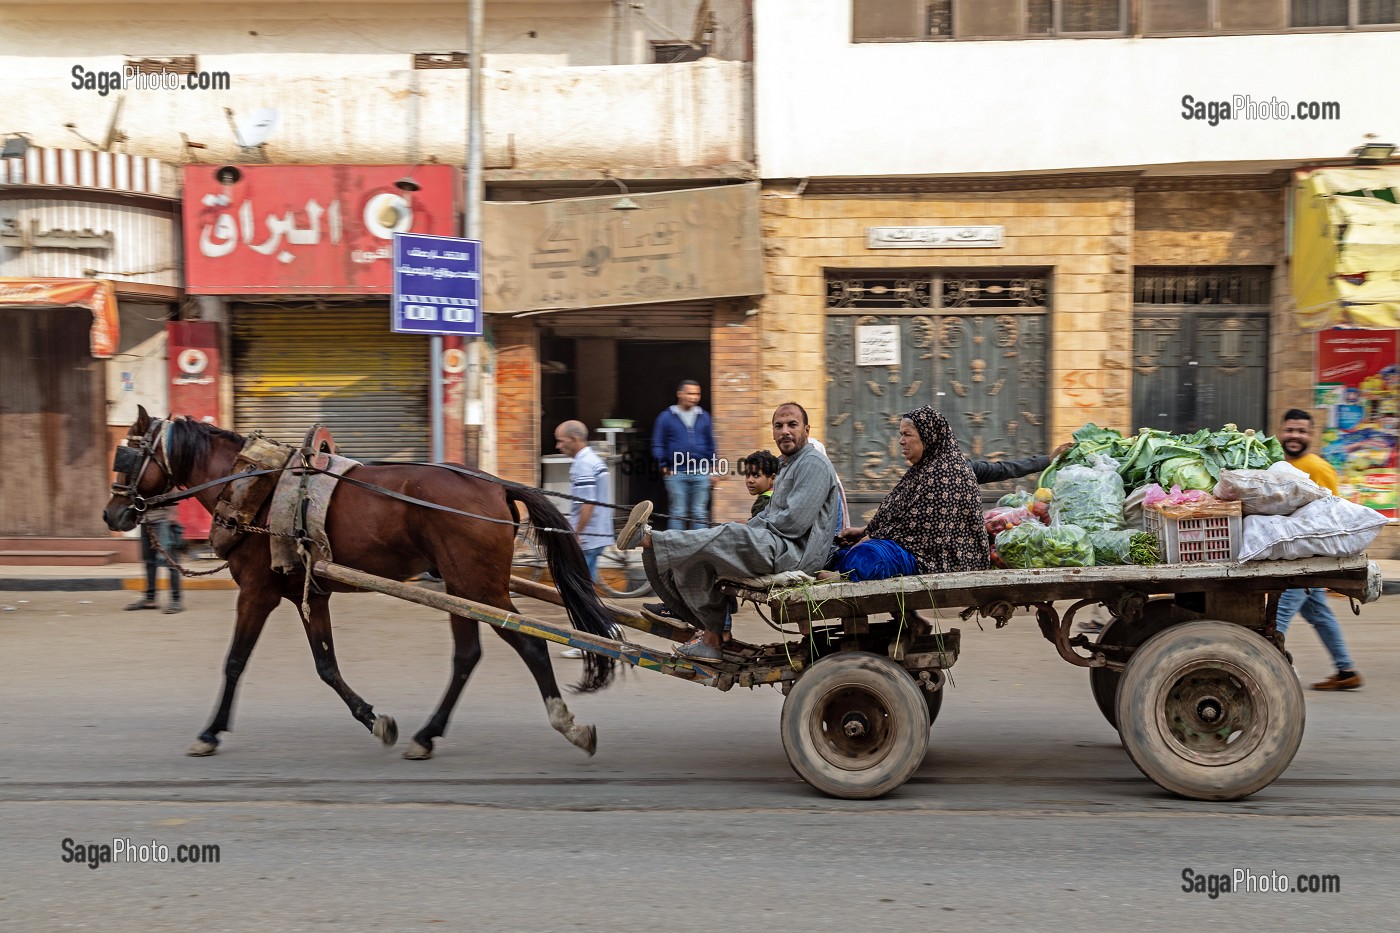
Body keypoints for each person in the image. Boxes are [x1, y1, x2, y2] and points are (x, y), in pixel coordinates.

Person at [619, 402, 841, 662]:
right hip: (777, 544)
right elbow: (773, 517)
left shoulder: (813, 463)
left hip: (794, 553)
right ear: (772, 431)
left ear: (806, 429)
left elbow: (793, 523)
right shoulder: (788, 464)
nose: (785, 431)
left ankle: (649, 539)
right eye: (779, 426)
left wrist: (751, 529)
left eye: (792, 425)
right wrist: (754, 527)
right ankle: (712, 638)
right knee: (699, 558)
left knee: (729, 534)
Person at [832, 406, 989, 581]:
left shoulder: (947, 473)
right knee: (840, 552)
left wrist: (869, 538)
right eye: (901, 434)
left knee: (866, 556)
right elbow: (901, 517)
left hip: (937, 559)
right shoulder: (923, 468)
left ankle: (845, 576)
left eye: (907, 434)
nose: (901, 441)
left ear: (927, 436)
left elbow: (923, 532)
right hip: (911, 547)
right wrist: (864, 531)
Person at [1276, 408, 1363, 690]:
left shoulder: (1317, 467)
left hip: (1306, 559)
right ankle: (1346, 670)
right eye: (1290, 430)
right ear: (1281, 431)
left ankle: (1269, 672)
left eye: (1301, 431)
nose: (1294, 436)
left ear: (1310, 435)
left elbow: (1329, 516)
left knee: (1277, 618)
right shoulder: (1280, 463)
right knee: (1319, 615)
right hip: (1297, 554)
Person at [554, 420, 613, 660]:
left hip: (589, 536)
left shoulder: (583, 465)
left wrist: (576, 534)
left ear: (575, 439)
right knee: (585, 587)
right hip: (597, 533)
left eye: (561, 440)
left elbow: (588, 504)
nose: (558, 446)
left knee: (580, 590)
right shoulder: (592, 460)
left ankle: (590, 639)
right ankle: (604, 630)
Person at [650, 379, 718, 531]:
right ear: (679, 394)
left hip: (701, 471)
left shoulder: (704, 416)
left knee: (699, 512)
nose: (694, 397)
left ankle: (699, 547)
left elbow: (711, 444)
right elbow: (658, 444)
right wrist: (663, 466)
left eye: (697, 394)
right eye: (690, 393)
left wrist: (714, 469)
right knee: (677, 512)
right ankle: (676, 549)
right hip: (676, 472)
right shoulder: (666, 417)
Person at [125, 506, 183, 614]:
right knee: (149, 561)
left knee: (171, 562)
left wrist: (172, 514)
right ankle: (150, 599)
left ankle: (176, 600)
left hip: (163, 521)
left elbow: (174, 490)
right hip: (145, 521)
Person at [739, 449, 780, 518]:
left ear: (772, 478)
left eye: (756, 475)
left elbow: (756, 527)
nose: (750, 480)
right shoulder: (778, 497)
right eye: (747, 475)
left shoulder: (763, 502)